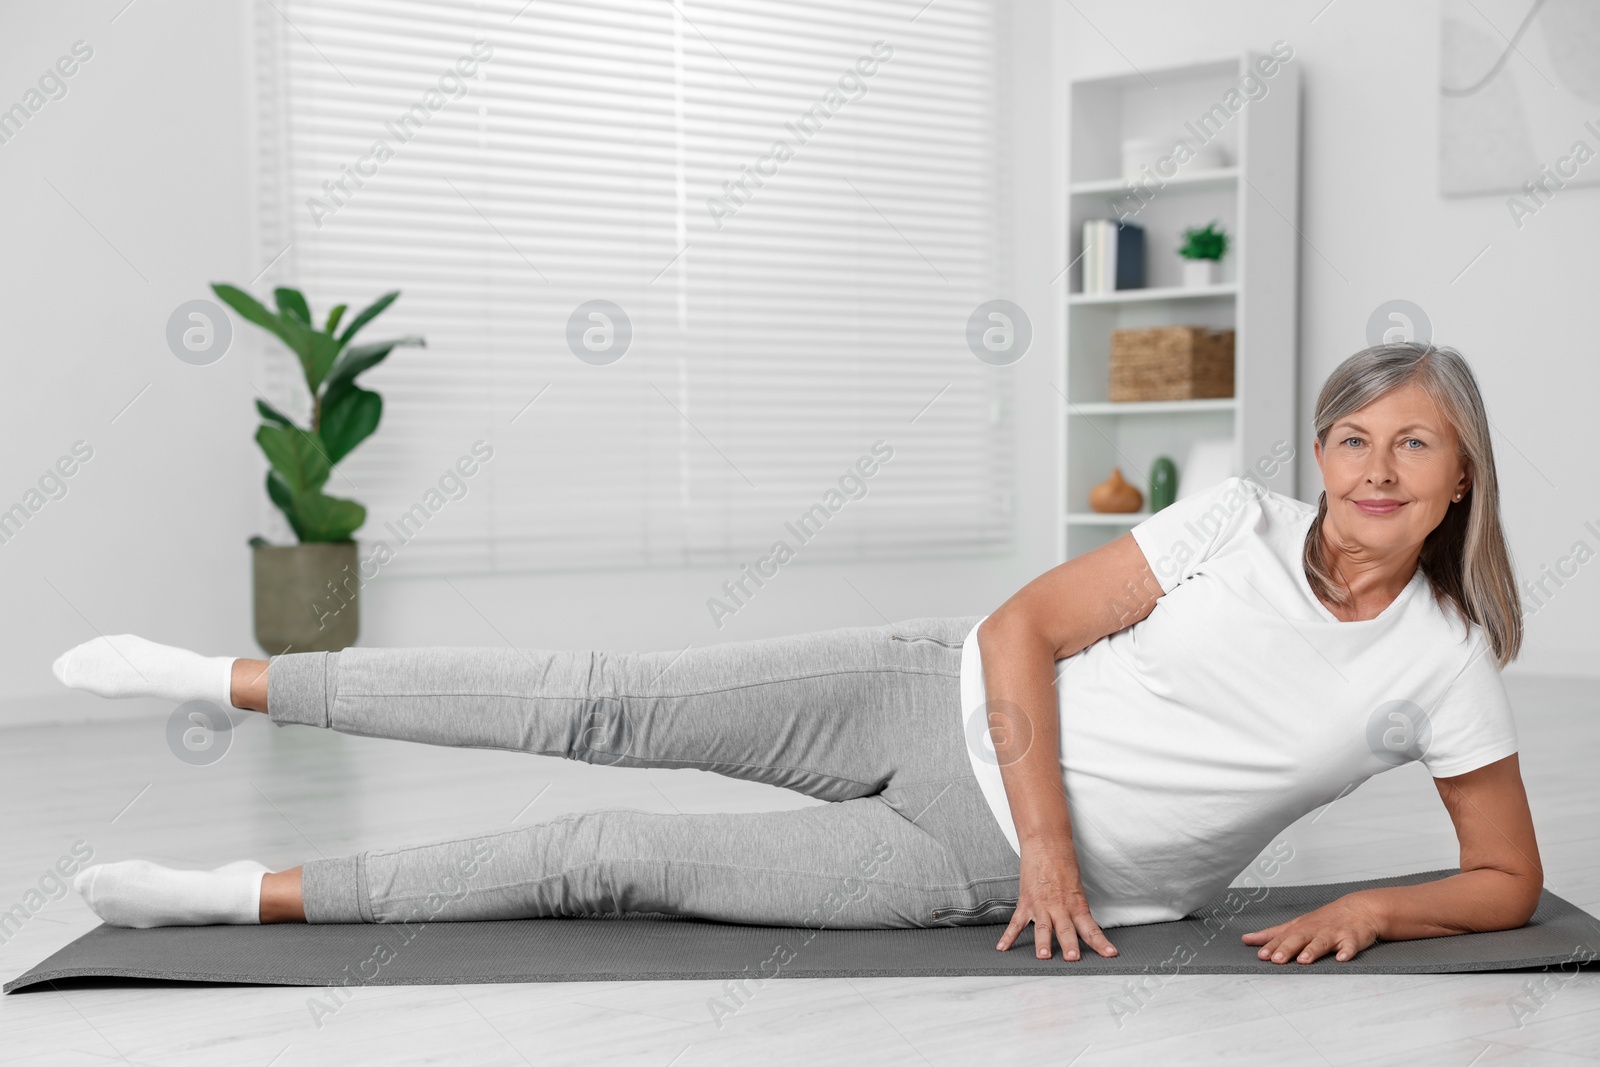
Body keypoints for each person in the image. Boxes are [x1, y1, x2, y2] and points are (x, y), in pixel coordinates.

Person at [55, 341, 1540, 966]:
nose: (1375, 465)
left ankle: (229, 900)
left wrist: (1373, 909)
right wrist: (1045, 843)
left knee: (600, 850)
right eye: (1354, 435)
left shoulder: (1441, 660)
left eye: (1415, 443)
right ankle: (215, 677)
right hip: (929, 694)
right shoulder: (1234, 519)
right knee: (602, 702)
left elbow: (1507, 882)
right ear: (1324, 453)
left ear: (1461, 477)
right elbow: (1024, 627)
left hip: (951, 870)